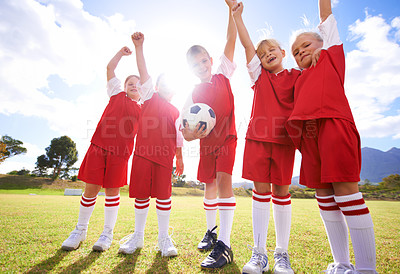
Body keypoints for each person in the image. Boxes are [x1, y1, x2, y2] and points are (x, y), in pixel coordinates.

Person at [288, 0, 377, 273]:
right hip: (310, 136)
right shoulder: (298, 79)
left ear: (324, 43)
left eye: (307, 45)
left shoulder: (331, 57)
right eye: (295, 51)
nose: (301, 51)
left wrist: (323, 47)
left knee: (346, 194)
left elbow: (326, 14)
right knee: (324, 197)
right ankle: (341, 264)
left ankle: (365, 269)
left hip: (334, 126)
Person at [230, 1, 300, 273]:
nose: (267, 54)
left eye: (272, 50)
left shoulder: (297, 75)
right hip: (258, 140)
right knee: (260, 193)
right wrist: (237, 17)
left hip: (285, 142)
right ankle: (259, 253)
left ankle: (282, 253)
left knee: (281, 193)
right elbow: (248, 46)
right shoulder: (258, 76)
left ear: (283, 53)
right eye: (263, 53)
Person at [61, 47, 141, 252]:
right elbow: (110, 68)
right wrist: (121, 54)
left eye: (138, 84)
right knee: (91, 190)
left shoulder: (144, 109)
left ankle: (107, 233)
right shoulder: (116, 94)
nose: (133, 85)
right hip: (99, 147)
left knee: (113, 192)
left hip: (120, 154)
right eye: (130, 83)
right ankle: (80, 230)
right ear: (123, 87)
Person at [182, 0, 237, 269]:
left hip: (227, 139)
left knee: (224, 182)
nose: (202, 66)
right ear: (190, 70)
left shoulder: (223, 74)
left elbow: (230, 38)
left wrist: (231, 9)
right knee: (209, 186)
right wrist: (191, 135)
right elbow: (185, 128)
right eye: (196, 64)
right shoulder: (193, 95)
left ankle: (225, 245)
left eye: (204, 60)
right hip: (207, 145)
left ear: (211, 60)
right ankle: (211, 232)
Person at [118, 32, 184, 257]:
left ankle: (164, 238)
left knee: (164, 197)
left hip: (165, 159)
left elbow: (178, 137)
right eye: (162, 83)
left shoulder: (177, 111)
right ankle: (137, 236)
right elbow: (143, 70)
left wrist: (180, 158)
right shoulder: (149, 97)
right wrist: (139, 47)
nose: (167, 86)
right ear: (155, 86)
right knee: (142, 196)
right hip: (143, 155)